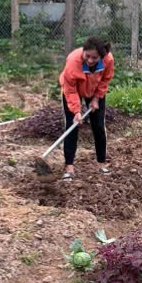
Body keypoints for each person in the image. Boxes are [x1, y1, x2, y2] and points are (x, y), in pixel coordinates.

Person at [59, 36, 115, 180]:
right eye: (87, 56)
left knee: (98, 126)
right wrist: (76, 111)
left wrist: (96, 98)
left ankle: (101, 164)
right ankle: (69, 168)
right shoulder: (73, 61)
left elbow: (105, 79)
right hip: (73, 91)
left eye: (94, 58)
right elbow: (70, 90)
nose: (90, 60)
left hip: (94, 89)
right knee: (72, 125)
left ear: (101, 57)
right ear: (83, 51)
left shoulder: (108, 60)